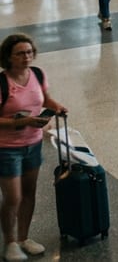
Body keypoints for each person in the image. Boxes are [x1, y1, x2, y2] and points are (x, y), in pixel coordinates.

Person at [0, 34, 67, 261]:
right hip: (7, 148)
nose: (26, 57)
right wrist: (23, 122)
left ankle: (23, 238)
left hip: (33, 144)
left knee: (29, 193)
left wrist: (56, 107)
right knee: (13, 197)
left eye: (29, 52)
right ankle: (9, 243)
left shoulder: (37, 74)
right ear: (8, 57)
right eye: (20, 53)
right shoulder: (2, 82)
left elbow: (45, 99)